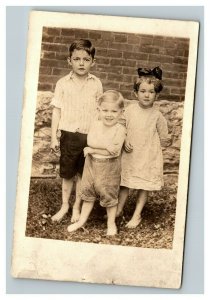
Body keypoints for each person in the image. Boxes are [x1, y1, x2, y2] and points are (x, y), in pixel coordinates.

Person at [50, 39, 103, 223]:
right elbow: (56, 110)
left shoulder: (97, 84)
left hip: (88, 136)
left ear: (93, 62)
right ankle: (65, 205)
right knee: (67, 173)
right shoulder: (62, 83)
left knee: (82, 174)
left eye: (86, 59)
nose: (81, 63)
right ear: (69, 60)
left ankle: (77, 207)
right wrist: (53, 138)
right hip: (69, 134)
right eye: (77, 59)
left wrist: (98, 136)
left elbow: (99, 112)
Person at [116, 67, 171, 228]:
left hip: (148, 156)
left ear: (157, 95)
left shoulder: (157, 116)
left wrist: (156, 150)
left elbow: (164, 137)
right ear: (135, 93)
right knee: (125, 182)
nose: (147, 95)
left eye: (151, 92)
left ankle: (137, 215)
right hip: (130, 154)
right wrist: (125, 139)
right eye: (143, 91)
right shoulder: (130, 111)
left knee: (143, 185)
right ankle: (118, 210)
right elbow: (120, 127)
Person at [67, 90, 126, 235]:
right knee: (88, 192)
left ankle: (111, 223)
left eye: (114, 111)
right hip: (91, 166)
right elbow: (90, 141)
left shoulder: (120, 129)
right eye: (105, 110)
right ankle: (81, 220)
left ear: (121, 112)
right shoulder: (96, 124)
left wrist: (93, 150)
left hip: (109, 168)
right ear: (98, 110)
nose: (109, 114)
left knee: (109, 194)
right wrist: (105, 146)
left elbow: (115, 151)